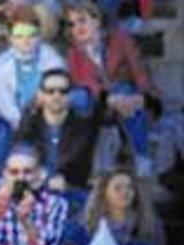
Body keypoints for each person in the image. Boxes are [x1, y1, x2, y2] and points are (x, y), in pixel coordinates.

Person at [63, 0, 159, 176]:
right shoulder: (73, 54)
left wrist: (144, 96)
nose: (77, 27)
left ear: (97, 21)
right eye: (72, 24)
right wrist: (108, 97)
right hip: (97, 103)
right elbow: (82, 82)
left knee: (127, 93)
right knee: (80, 97)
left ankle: (141, 156)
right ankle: (87, 158)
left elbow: (138, 70)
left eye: (82, 20)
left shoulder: (120, 39)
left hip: (125, 98)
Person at [0, 5, 66, 175]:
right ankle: (0, 178)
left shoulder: (52, 59)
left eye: (32, 35)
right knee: (0, 128)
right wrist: (21, 123)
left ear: (39, 36)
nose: (26, 41)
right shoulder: (0, 65)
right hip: (15, 119)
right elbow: (4, 103)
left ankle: (51, 175)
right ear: (10, 38)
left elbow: (58, 90)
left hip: (45, 114)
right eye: (20, 36)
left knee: (53, 127)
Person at [15, 68, 105, 212]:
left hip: (73, 191)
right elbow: (22, 156)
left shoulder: (83, 125)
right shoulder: (30, 124)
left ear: (70, 95)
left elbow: (77, 162)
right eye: (50, 91)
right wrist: (45, 179)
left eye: (63, 91)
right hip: (36, 191)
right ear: (40, 95)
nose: (57, 95)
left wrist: (63, 180)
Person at [74, 168, 165, 245]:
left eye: (130, 187)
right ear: (104, 192)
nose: (125, 192)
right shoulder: (86, 224)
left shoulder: (151, 222)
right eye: (118, 188)